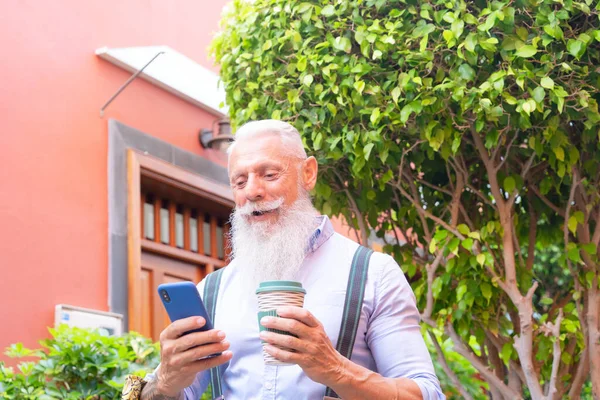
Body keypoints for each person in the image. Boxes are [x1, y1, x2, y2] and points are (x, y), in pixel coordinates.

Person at [139, 120, 445, 400]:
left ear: (308, 173)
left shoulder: (373, 274)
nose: (253, 192)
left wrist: (336, 370)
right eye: (240, 182)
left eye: (269, 175)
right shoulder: (212, 289)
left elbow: (426, 393)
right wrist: (165, 380)